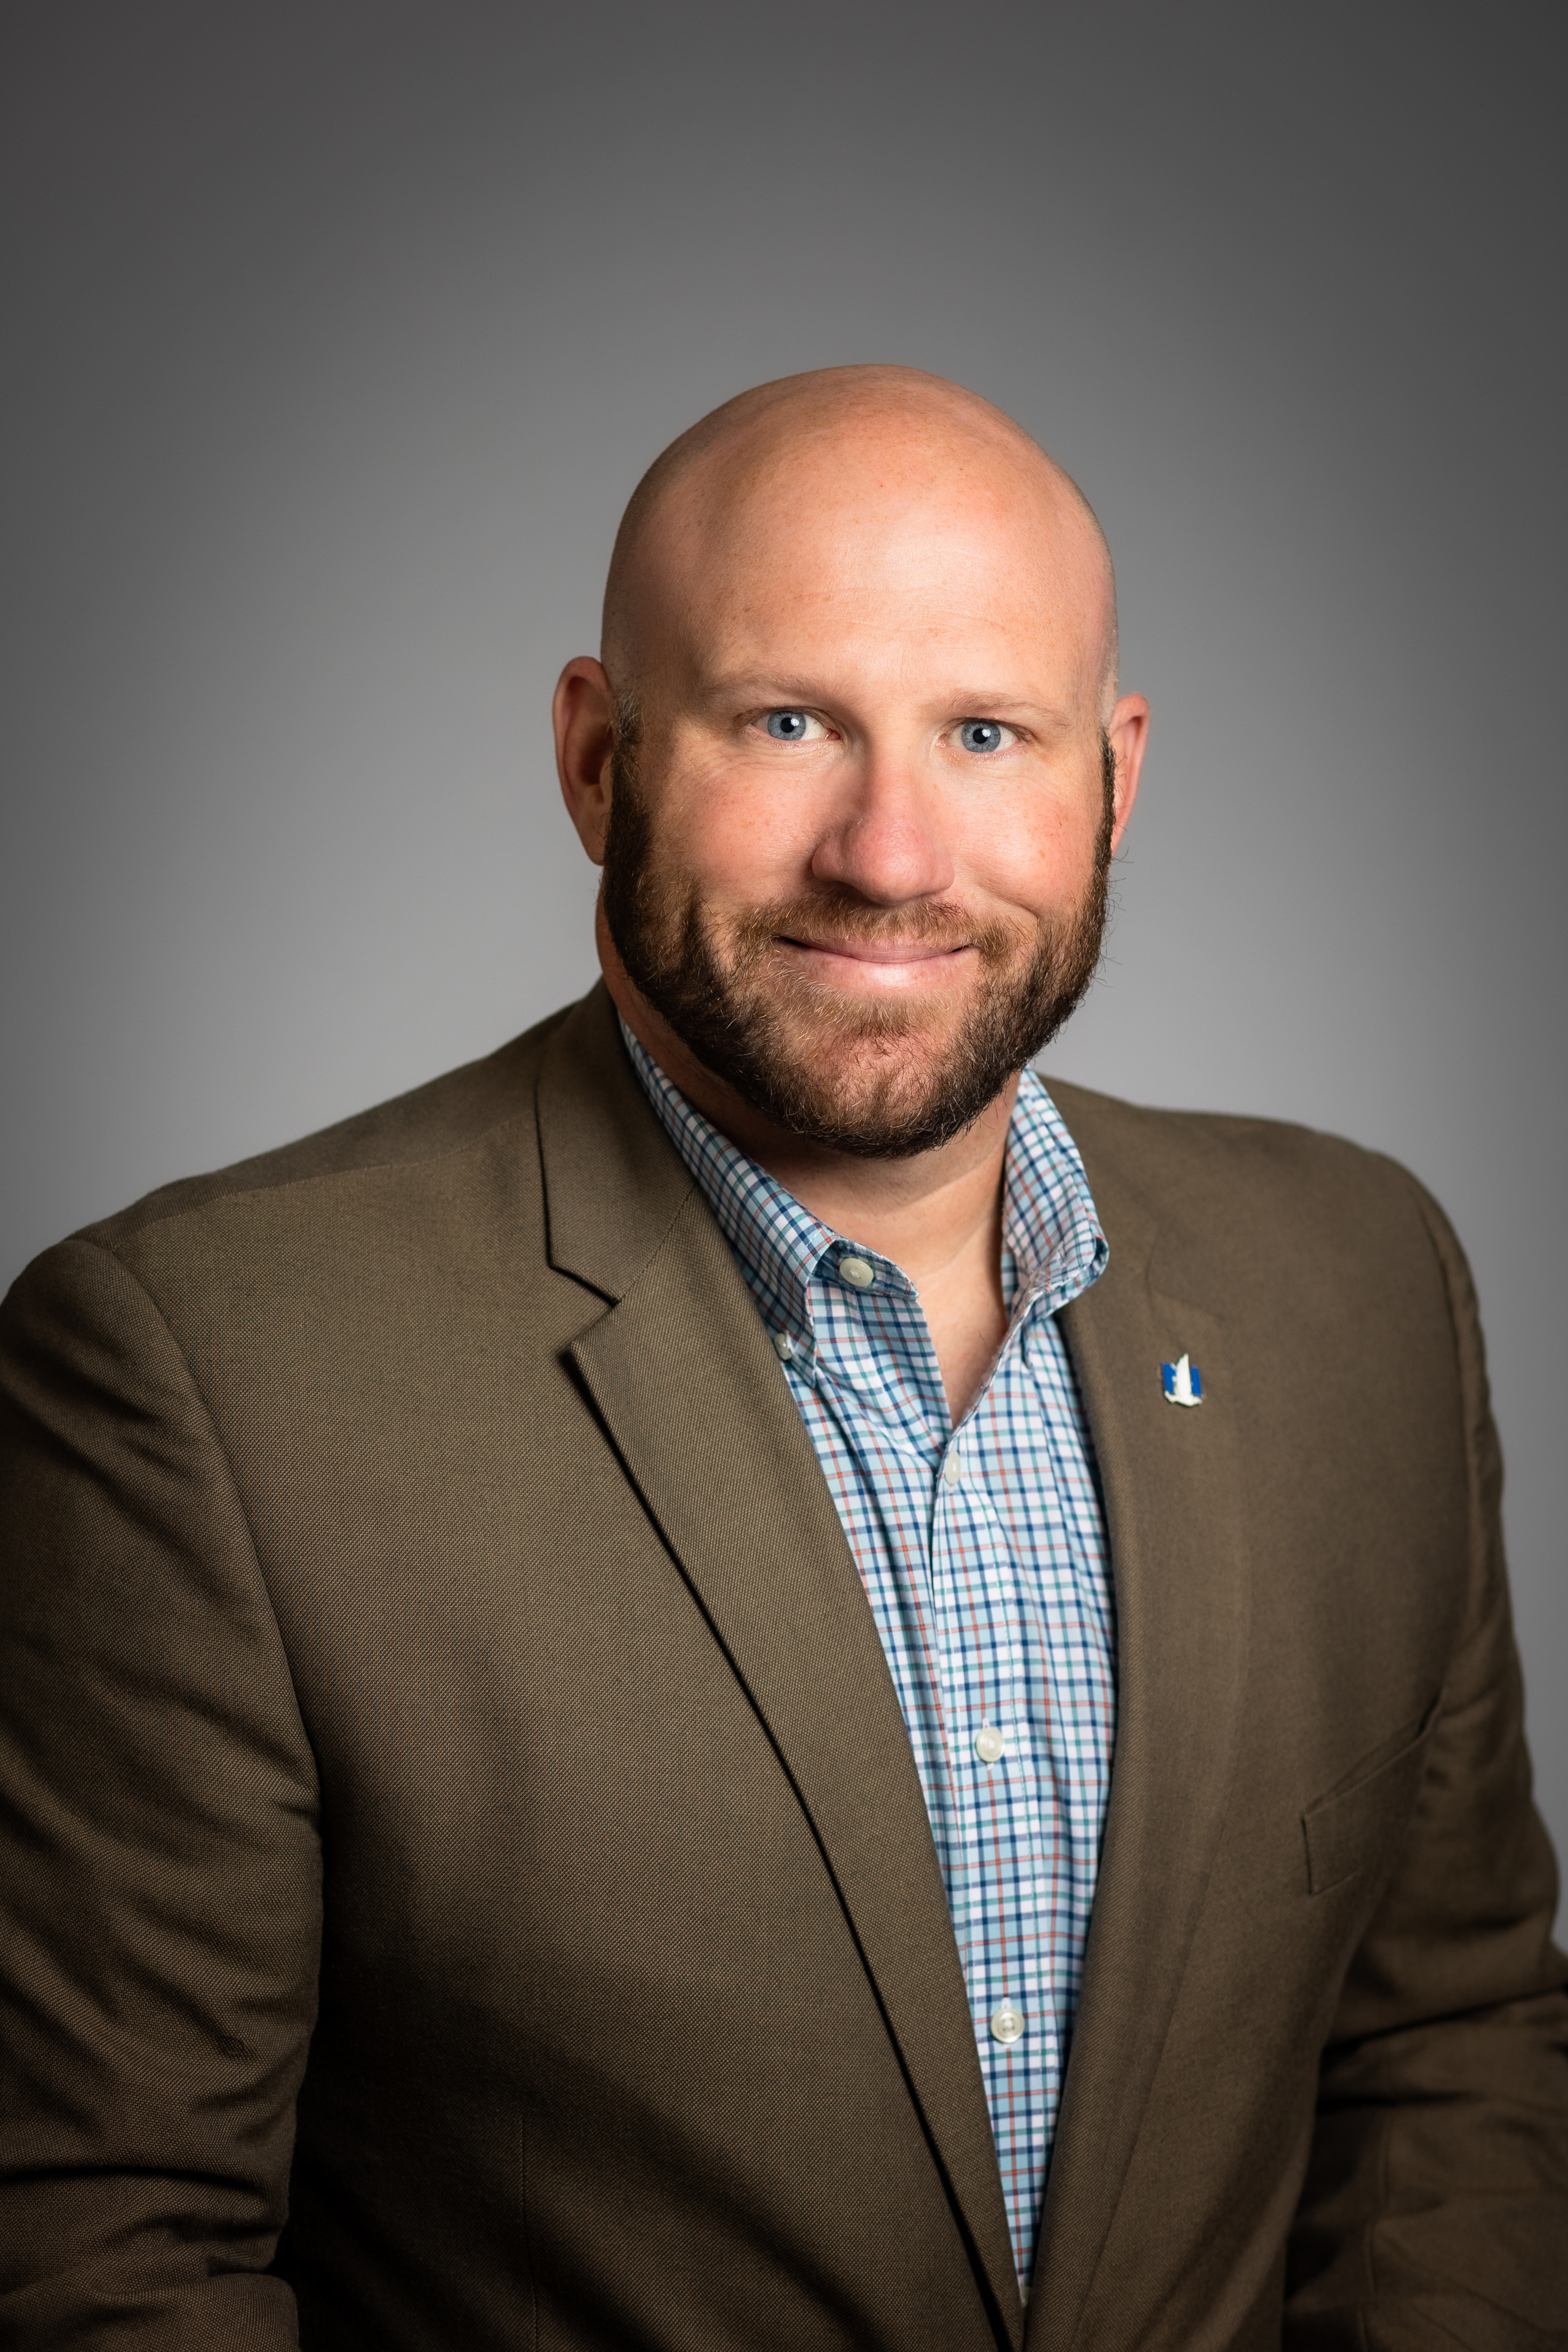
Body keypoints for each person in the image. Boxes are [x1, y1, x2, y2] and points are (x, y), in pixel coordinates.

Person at [1, 365, 1564, 2352]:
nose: (891, 853)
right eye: (788, 721)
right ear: (597, 760)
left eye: (986, 732)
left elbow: (1449, 2047)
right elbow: (108, 2257)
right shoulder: (201, 1376)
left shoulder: (1360, 1285)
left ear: (1115, 776)